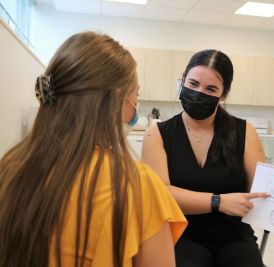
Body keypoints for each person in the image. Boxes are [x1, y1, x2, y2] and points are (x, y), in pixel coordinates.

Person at [0, 32, 187, 267]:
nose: (135, 107)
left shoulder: (11, 167)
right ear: (116, 100)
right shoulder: (136, 184)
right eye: (135, 96)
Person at [141, 49, 274, 267]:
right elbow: (160, 195)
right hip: (181, 235)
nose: (199, 92)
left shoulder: (244, 132)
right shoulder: (157, 134)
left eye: (210, 88)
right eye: (193, 83)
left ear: (224, 93)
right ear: (182, 81)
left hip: (234, 237)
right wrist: (218, 202)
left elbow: (264, 194)